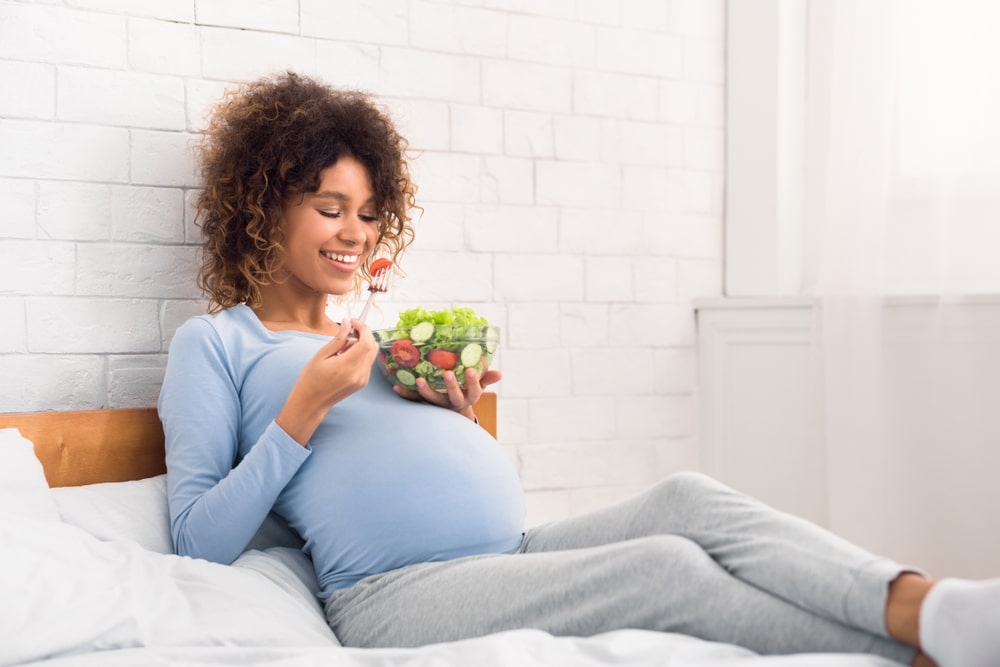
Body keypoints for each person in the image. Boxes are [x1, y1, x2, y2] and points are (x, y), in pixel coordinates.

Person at [158, 71, 999, 667]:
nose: (356, 232)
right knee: (662, 567)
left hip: (509, 552)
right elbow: (197, 539)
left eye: (371, 214)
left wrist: (454, 417)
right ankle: (917, 652)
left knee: (686, 497)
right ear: (264, 209)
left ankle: (930, 603)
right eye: (330, 208)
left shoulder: (374, 335)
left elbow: (386, 462)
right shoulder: (219, 344)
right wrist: (301, 408)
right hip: (394, 594)